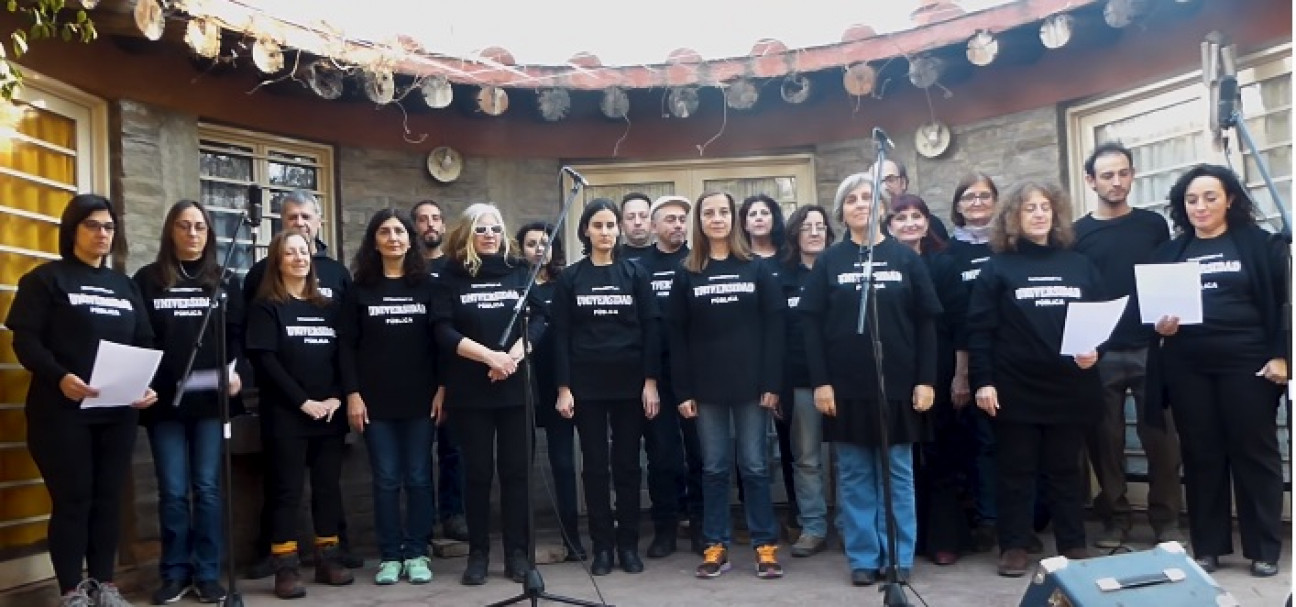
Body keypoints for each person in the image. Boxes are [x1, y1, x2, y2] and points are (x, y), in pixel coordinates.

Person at [7, 194, 158, 607]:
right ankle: (72, 590)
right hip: (61, 413)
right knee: (74, 500)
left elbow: (144, 340)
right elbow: (26, 342)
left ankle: (105, 585)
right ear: (72, 229)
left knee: (108, 500)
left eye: (109, 227)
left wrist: (146, 384)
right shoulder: (45, 280)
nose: (102, 234)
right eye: (93, 225)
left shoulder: (125, 286)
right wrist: (60, 378)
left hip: (117, 412)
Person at [1146, 164, 1287, 577]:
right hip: (1187, 365)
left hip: (1248, 363)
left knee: (1253, 451)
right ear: (1181, 205)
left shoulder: (1262, 245)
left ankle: (1263, 548)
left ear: (1230, 199)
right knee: (1201, 453)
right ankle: (1208, 547)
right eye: (1192, 199)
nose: (1200, 206)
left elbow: (1284, 306)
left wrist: (1284, 356)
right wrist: (1161, 324)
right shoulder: (1170, 253)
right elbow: (1151, 316)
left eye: (1210, 197)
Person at [800, 174, 940, 586]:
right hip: (844, 388)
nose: (861, 204)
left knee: (897, 473)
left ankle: (898, 556)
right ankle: (863, 556)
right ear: (842, 212)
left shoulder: (905, 259)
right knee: (856, 474)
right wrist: (821, 383)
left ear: (882, 208)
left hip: (898, 385)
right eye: (852, 200)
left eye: (869, 198)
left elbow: (926, 323)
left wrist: (926, 380)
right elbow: (810, 325)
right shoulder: (830, 260)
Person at [966, 181, 1104, 577]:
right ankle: (1014, 545)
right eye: (1030, 209)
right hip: (1014, 386)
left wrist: (1097, 349)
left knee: (1065, 470)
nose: (1040, 214)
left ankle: (1073, 544)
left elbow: (1102, 319)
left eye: (1045, 207)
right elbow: (980, 329)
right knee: (1016, 471)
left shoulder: (1079, 264)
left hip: (1070, 385)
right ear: (1014, 217)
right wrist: (984, 381)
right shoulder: (998, 267)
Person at [669, 191, 785, 579]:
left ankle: (764, 545)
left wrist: (772, 381)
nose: (716, 218)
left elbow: (775, 328)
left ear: (733, 219)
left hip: (753, 388)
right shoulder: (688, 272)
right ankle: (715, 544)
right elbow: (676, 336)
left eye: (723, 212)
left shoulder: (756, 268)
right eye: (709, 213)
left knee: (753, 466)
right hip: (706, 391)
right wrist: (683, 390)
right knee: (715, 467)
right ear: (699, 222)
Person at [1073, 142, 1182, 549]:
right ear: (1090, 181)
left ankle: (1166, 522)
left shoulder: (1153, 225)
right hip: (1100, 352)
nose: (1116, 182)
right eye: (1106, 175)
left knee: (1162, 441)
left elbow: (1167, 278)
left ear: (1132, 174)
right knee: (1105, 441)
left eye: (1123, 173)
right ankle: (1115, 520)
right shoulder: (1078, 233)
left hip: (1152, 348)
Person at [133, 200, 243, 604]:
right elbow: (138, 336)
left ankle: (208, 572)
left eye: (199, 226)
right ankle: (175, 573)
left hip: (210, 403)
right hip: (164, 403)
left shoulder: (225, 280)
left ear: (209, 233)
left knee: (208, 488)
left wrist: (235, 373)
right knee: (174, 491)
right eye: (184, 226)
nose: (192, 233)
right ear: (171, 232)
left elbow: (237, 337)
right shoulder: (147, 280)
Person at [245, 191, 359, 578]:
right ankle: (286, 565)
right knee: (286, 491)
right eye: (290, 252)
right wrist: (303, 402)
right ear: (278, 259)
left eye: (304, 253)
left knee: (327, 489)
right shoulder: (266, 306)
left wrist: (335, 399)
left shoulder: (326, 306)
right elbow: (266, 361)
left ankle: (328, 558)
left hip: (329, 413)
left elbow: (343, 354)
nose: (299, 257)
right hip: (286, 415)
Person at [430, 203, 542, 586]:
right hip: (471, 392)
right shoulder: (450, 275)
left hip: (514, 390)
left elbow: (541, 318)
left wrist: (512, 355)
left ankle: (517, 555)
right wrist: (487, 356)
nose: (490, 235)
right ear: (466, 234)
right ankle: (478, 553)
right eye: (481, 229)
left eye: (495, 228)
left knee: (516, 474)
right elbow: (442, 329)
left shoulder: (518, 270)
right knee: (477, 474)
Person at [553, 199, 660, 575]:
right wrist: (564, 387)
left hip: (631, 385)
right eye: (597, 225)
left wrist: (650, 382)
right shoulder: (571, 278)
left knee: (628, 466)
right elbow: (561, 336)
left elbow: (651, 329)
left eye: (610, 224)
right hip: (587, 387)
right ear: (585, 230)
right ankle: (602, 548)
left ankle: (629, 545)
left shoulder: (635, 274)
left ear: (618, 230)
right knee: (595, 468)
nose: (604, 231)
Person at [339, 210, 437, 586]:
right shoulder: (359, 287)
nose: (393, 237)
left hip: (420, 399)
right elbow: (346, 346)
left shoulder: (427, 285)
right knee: (385, 479)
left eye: (400, 231)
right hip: (374, 402)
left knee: (417, 478)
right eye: (385, 231)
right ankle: (390, 556)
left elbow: (439, 341)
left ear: (410, 239)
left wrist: (443, 388)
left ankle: (416, 553)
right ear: (374, 240)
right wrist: (352, 395)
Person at [888, 194, 971, 566]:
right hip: (894, 372)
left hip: (939, 370)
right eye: (900, 217)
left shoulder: (944, 265)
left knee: (941, 455)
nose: (909, 223)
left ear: (926, 222)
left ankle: (944, 538)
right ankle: (908, 538)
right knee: (902, 459)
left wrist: (960, 376)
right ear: (888, 225)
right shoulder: (881, 266)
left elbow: (960, 326)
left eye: (916, 216)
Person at [515, 220, 586, 562]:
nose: (538, 249)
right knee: (521, 465)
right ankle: (522, 545)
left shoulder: (565, 284)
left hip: (559, 381)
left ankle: (572, 539)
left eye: (545, 243)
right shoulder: (514, 283)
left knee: (562, 463)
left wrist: (566, 386)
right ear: (520, 248)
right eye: (531, 243)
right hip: (523, 383)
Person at [943, 173, 1001, 554]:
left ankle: (1019, 519)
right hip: (964, 359)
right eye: (969, 197)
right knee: (974, 445)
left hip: (1009, 360)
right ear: (958, 206)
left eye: (984, 196)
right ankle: (985, 520)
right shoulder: (948, 253)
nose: (977, 203)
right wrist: (960, 372)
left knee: (1007, 444)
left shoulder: (1009, 246)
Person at [410, 198, 469, 543]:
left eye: (436, 218)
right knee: (418, 454)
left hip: (453, 371)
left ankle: (453, 513)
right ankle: (425, 519)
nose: (430, 224)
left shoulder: (455, 269)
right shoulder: (409, 269)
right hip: (415, 373)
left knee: (453, 449)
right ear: (414, 227)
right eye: (422, 219)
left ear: (444, 226)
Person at [779, 205, 835, 558]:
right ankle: (813, 526)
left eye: (821, 226)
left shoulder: (842, 269)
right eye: (807, 226)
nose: (815, 232)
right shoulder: (782, 277)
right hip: (800, 380)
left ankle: (850, 526)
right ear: (796, 234)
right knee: (807, 459)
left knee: (849, 458)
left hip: (844, 380)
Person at [641, 195, 695, 557]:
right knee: (662, 456)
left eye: (682, 219)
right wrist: (648, 379)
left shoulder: (697, 261)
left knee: (702, 454)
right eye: (670, 219)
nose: (678, 224)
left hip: (697, 374)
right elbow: (640, 325)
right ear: (654, 225)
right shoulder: (639, 267)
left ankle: (704, 528)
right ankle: (665, 530)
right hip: (656, 376)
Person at [879, 159, 949, 241]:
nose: (884, 187)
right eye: (876, 182)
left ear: (903, 183)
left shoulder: (933, 225)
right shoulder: (867, 229)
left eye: (890, 180)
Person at [618, 193, 654, 259]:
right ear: (621, 225)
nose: (637, 222)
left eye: (643, 216)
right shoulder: (612, 258)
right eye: (630, 217)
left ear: (653, 223)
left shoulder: (667, 255)